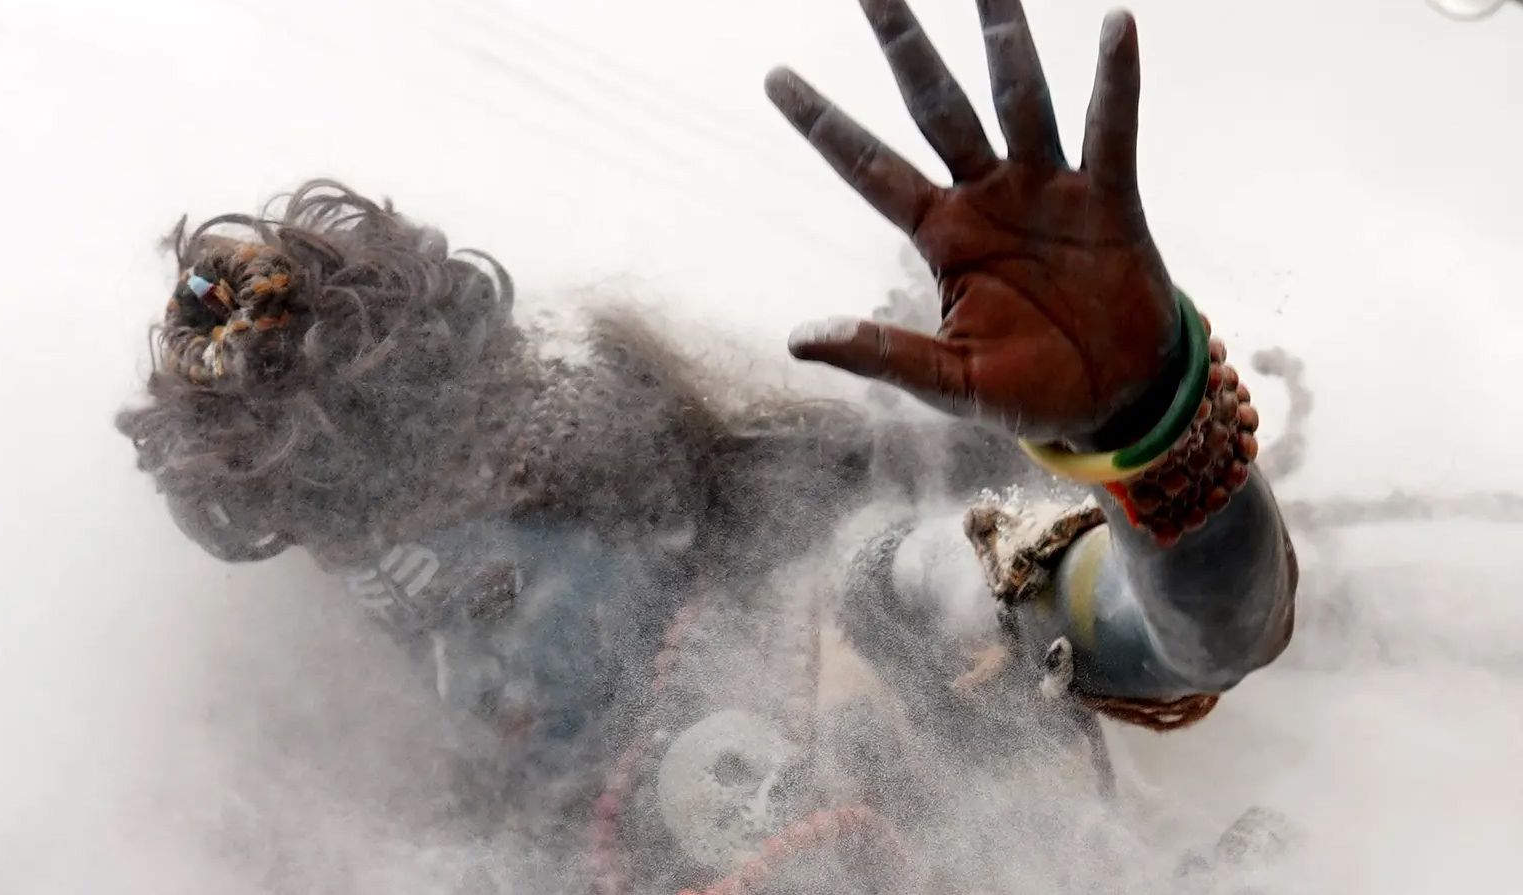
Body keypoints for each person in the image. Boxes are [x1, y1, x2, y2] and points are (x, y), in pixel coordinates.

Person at [114, 0, 1297, 889]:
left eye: (473, 576)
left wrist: (1153, 424)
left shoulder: (845, 596)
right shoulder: (437, 817)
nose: (463, 654)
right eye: (386, 594)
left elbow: (1184, 631)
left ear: (548, 455)